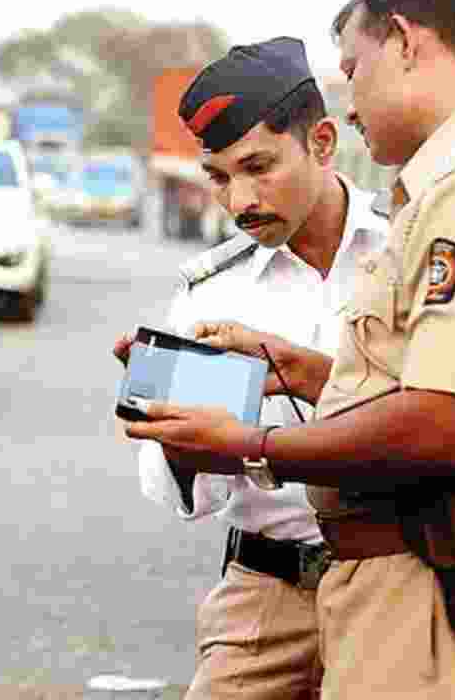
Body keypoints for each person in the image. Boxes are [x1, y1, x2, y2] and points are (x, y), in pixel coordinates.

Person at [120, 0, 455, 700]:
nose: (351, 99)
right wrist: (304, 374)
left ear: (406, 41)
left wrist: (256, 444)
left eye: (353, 69)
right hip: (311, 582)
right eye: (220, 177)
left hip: (441, 575)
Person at [117, 36, 389, 700]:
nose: (240, 201)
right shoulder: (211, 295)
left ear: (322, 143)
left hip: (397, 578)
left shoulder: (407, 250)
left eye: (259, 167)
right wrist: (178, 432)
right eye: (219, 177)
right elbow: (182, 492)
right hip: (267, 594)